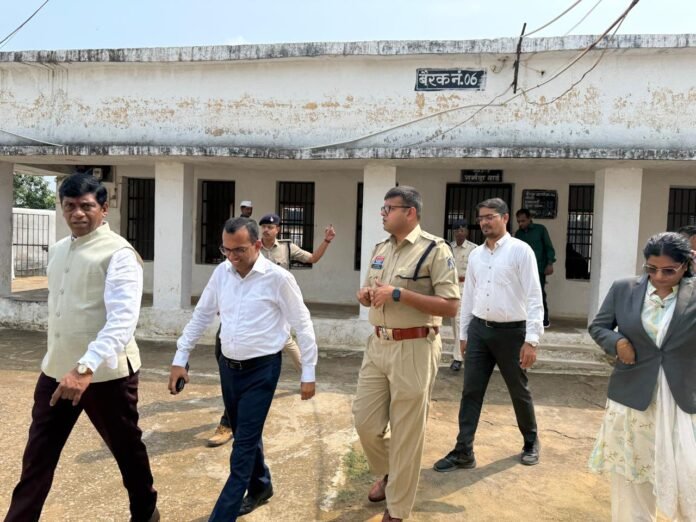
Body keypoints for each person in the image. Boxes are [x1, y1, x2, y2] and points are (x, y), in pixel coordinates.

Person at [5, 173, 159, 522]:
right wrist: (66, 367)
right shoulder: (59, 250)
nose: (78, 213)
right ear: (62, 209)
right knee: (37, 458)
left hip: (106, 376)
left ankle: (146, 513)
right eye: (70, 206)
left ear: (103, 209)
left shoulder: (119, 253)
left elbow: (122, 321)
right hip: (56, 372)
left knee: (127, 451)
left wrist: (85, 367)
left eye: (86, 206)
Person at [168, 217, 317, 521]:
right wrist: (180, 357)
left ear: (257, 245)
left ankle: (222, 515)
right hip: (228, 368)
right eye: (226, 250)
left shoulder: (278, 279)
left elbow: (303, 324)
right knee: (244, 431)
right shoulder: (222, 273)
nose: (232, 257)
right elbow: (202, 315)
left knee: (242, 448)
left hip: (262, 371)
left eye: (239, 250)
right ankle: (261, 486)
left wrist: (308, 373)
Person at [354, 186, 459, 522]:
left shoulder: (434, 250)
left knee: (406, 431)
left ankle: (397, 508)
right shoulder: (381, 248)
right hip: (378, 345)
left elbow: (450, 306)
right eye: (383, 208)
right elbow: (372, 289)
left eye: (389, 208)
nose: (383, 213)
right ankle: (390, 471)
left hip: (414, 346)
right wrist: (366, 295)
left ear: (410, 212)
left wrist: (399, 293)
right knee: (365, 423)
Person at [588, 232, 696, 522]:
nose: (658, 277)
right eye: (651, 268)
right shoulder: (624, 289)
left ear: (685, 265)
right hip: (633, 397)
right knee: (633, 474)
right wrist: (617, 343)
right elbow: (599, 327)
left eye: (669, 270)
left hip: (681, 398)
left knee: (686, 474)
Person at [205, 213, 335, 448]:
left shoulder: (286, 248)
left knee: (292, 352)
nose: (267, 230)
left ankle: (306, 378)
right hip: (239, 327)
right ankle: (228, 422)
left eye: (271, 227)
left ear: (278, 229)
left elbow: (313, 258)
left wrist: (309, 375)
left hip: (274, 323)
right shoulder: (237, 251)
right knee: (233, 371)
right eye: (264, 226)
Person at [434, 197, 543, 474]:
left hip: (512, 333)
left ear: (505, 218)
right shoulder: (476, 255)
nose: (484, 222)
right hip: (479, 331)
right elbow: (469, 295)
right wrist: (464, 333)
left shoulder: (521, 251)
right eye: (481, 218)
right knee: (471, 391)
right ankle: (463, 451)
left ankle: (531, 442)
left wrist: (531, 340)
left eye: (490, 217)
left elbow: (534, 295)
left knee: (518, 390)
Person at [514, 208, 555, 328]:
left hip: (539, 268)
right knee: (522, 294)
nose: (521, 224)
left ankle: (543, 319)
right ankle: (524, 319)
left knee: (539, 293)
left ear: (529, 219)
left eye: (523, 221)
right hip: (522, 270)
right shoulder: (518, 234)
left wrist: (550, 263)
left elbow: (548, 247)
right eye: (518, 221)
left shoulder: (540, 229)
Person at [449, 220, 477, 371]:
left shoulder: (474, 249)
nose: (460, 232)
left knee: (462, 321)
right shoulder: (448, 248)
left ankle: (459, 357)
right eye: (457, 230)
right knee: (455, 322)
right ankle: (461, 354)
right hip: (452, 287)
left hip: (467, 287)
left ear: (467, 232)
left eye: (462, 230)